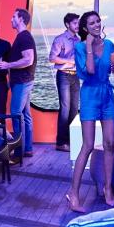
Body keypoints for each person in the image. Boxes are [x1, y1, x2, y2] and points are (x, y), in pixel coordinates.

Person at [66, 11, 114, 212]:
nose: (97, 25)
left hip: (106, 96)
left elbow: (113, 69)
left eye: (98, 21)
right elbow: (89, 71)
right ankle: (74, 193)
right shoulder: (80, 47)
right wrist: (89, 46)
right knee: (88, 145)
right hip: (89, 96)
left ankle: (108, 188)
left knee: (109, 143)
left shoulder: (109, 44)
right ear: (85, 28)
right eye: (92, 23)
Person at [0, 8, 37, 159]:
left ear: (21, 19)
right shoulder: (22, 36)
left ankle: (19, 151)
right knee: (26, 115)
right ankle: (27, 149)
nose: (11, 19)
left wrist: (7, 65)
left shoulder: (24, 37)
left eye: (14, 17)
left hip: (22, 82)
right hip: (23, 81)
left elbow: (28, 60)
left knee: (16, 115)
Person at [49, 13, 81, 152]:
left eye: (78, 23)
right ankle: (61, 143)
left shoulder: (79, 40)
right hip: (63, 76)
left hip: (75, 76)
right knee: (65, 109)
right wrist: (69, 61)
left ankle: (71, 141)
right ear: (68, 24)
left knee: (74, 109)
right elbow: (52, 58)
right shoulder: (60, 39)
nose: (77, 25)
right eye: (75, 23)